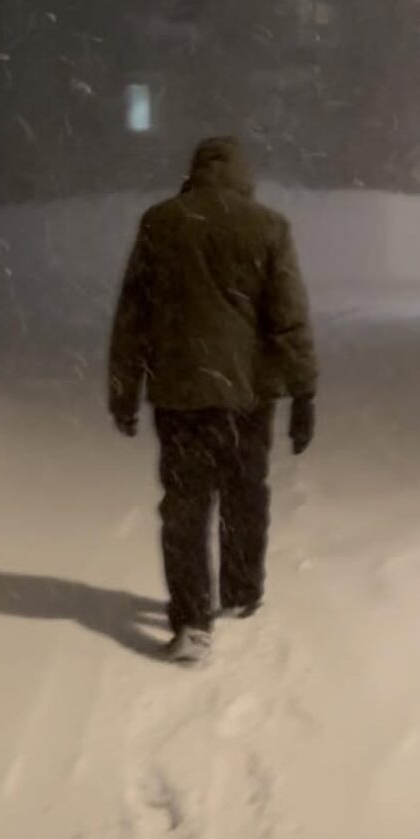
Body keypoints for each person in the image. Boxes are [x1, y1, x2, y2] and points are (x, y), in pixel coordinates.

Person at [108, 136, 317, 663]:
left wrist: (124, 389)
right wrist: (304, 391)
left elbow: (134, 316)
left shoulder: (162, 222)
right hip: (248, 393)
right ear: (244, 175)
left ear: (195, 171)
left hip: (181, 390)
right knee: (245, 492)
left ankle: (192, 622)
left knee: (185, 503)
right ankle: (242, 592)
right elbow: (288, 317)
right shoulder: (268, 226)